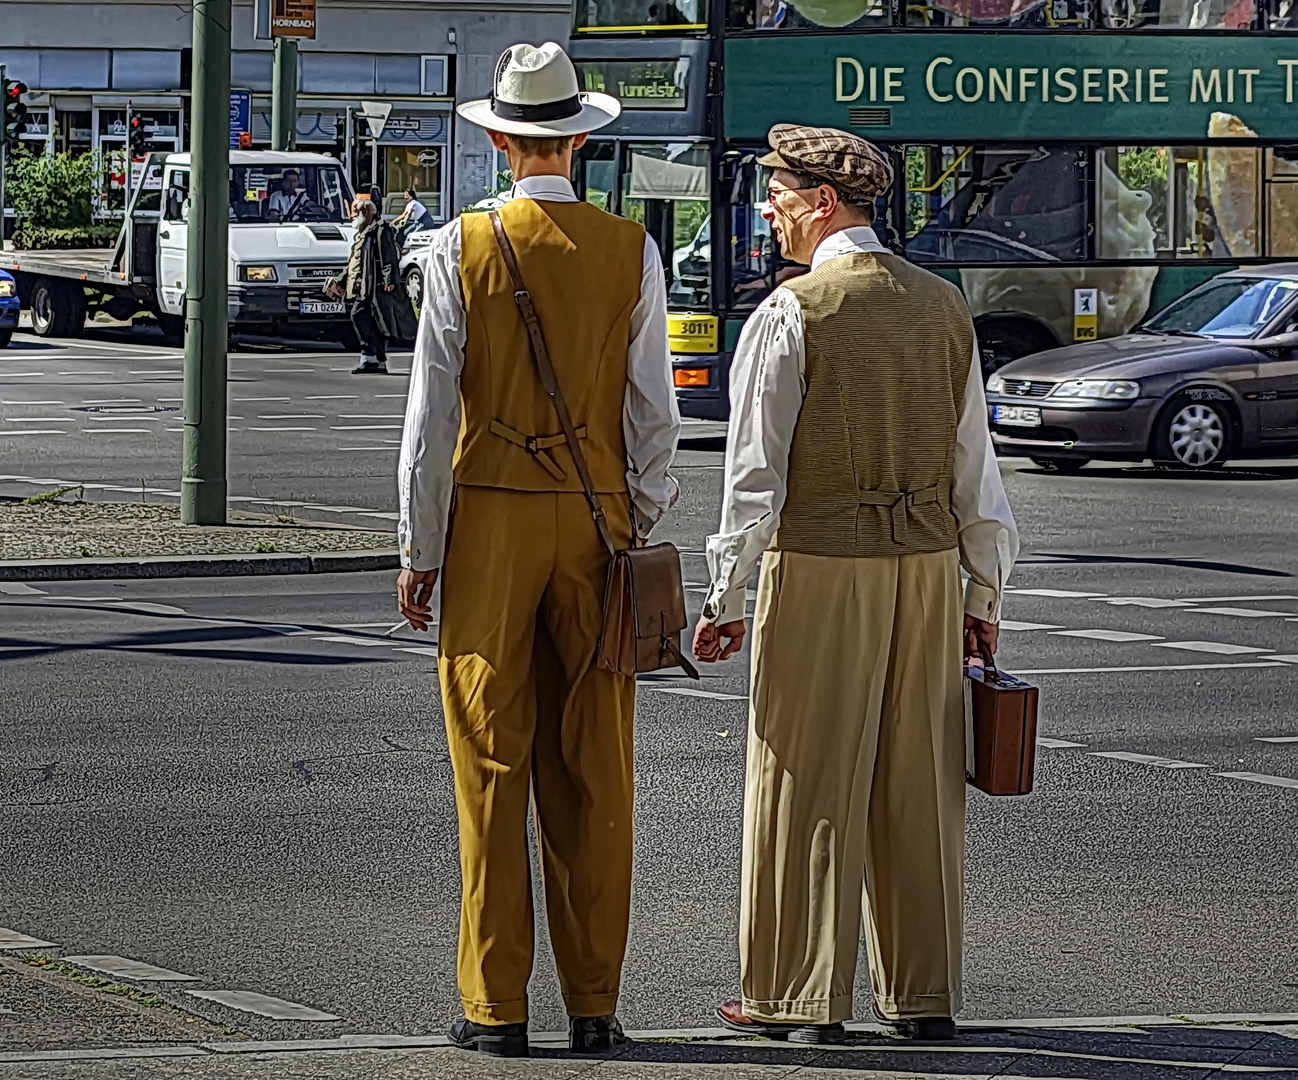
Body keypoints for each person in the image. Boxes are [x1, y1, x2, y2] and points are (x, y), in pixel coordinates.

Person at [694, 124, 1018, 1045]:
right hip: (925, 567)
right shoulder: (944, 306)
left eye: (778, 193)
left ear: (820, 202)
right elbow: (975, 468)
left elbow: (756, 480)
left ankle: (797, 997)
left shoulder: (793, 313)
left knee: (802, 778)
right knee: (917, 782)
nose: (770, 209)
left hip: (824, 564)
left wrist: (726, 599)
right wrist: (980, 595)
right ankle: (924, 994)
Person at [395, 41, 680, 1058]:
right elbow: (654, 414)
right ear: (574, 139)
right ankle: (595, 1002)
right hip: (600, 520)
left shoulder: (457, 248)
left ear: (502, 141)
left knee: (489, 762)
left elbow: (430, 421)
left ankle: (494, 1005)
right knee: (597, 763)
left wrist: (419, 548)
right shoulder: (630, 249)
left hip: (491, 521)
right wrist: (639, 516)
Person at [326, 198, 414, 372]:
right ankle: (375, 360)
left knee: (359, 316)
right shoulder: (363, 232)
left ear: (365, 213)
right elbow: (354, 262)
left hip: (374, 287)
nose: (351, 215)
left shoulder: (381, 230)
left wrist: (390, 281)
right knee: (372, 323)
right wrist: (341, 281)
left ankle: (371, 358)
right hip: (362, 286)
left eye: (354, 211)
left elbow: (389, 256)